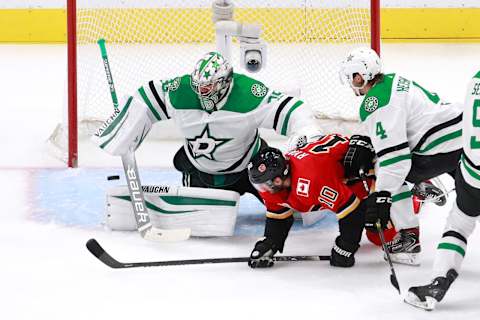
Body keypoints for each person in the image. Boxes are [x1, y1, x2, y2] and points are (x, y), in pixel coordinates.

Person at [340, 47, 479, 310]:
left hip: (441, 149)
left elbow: (395, 160)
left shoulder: (374, 102)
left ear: (364, 74)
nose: (352, 83)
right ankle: (423, 184)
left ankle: (408, 240)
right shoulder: (392, 80)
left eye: (355, 76)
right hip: (461, 134)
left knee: (383, 168)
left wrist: (381, 197)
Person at [92, 51, 318, 203]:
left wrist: (305, 138)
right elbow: (144, 97)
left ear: (225, 82)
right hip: (201, 171)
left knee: (291, 208)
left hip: (251, 168)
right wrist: (123, 128)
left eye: (208, 87)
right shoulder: (180, 91)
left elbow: (293, 109)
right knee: (200, 224)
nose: (201, 92)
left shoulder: (250, 94)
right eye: (198, 86)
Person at [246, 133, 376, 269]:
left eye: (264, 184)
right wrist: (270, 243)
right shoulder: (278, 184)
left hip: (367, 171)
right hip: (338, 176)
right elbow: (278, 215)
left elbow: (351, 209)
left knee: (379, 232)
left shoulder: (309, 180)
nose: (262, 190)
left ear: (277, 180)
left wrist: (345, 246)